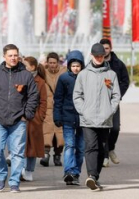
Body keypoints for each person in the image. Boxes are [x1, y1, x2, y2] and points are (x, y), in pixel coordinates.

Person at [0, 44, 39, 193]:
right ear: (4, 56)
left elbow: (33, 96)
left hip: (18, 121)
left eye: (16, 55)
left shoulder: (26, 75)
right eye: (10, 55)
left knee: (17, 153)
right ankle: (1, 177)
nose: (14, 58)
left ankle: (14, 182)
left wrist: (27, 115)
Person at [73, 43, 120, 191]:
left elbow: (116, 96)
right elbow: (77, 95)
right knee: (91, 147)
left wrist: (109, 111)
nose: (100, 58)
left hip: (105, 119)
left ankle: (95, 176)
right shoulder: (83, 74)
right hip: (88, 119)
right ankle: (91, 176)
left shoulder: (111, 74)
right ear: (92, 56)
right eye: (97, 56)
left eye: (102, 56)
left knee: (101, 148)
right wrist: (83, 111)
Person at [54, 50, 85, 186]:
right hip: (67, 117)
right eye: (73, 66)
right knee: (70, 145)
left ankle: (76, 173)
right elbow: (58, 99)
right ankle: (69, 172)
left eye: (78, 66)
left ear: (82, 66)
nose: (76, 68)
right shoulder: (64, 78)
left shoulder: (86, 77)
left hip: (84, 119)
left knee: (81, 148)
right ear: (69, 66)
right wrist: (57, 116)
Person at [99, 38, 130, 167]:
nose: (105, 51)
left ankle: (111, 148)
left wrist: (118, 95)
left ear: (110, 49)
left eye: (107, 48)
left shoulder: (118, 64)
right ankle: (105, 156)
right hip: (100, 102)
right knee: (104, 129)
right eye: (102, 48)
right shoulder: (96, 63)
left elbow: (125, 81)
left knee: (115, 128)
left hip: (114, 101)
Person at [20, 56, 48, 182]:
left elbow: (43, 101)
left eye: (26, 65)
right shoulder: (19, 78)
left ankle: (29, 171)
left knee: (32, 146)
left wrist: (39, 116)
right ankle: (20, 169)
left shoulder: (40, 81)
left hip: (34, 118)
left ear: (32, 67)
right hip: (19, 116)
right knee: (19, 145)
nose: (23, 68)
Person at [41, 52, 66, 167]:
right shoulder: (43, 72)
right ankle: (45, 155)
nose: (52, 65)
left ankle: (57, 155)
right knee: (47, 132)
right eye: (50, 62)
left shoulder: (64, 72)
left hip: (60, 107)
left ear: (58, 62)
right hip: (47, 107)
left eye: (54, 63)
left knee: (60, 134)